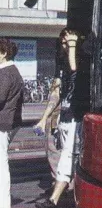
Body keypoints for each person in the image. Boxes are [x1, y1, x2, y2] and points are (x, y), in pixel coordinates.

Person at [36, 30, 87, 208]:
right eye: (63, 42)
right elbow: (55, 94)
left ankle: (53, 200)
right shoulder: (62, 65)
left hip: (77, 118)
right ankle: (74, 200)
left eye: (68, 42)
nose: (65, 45)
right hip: (65, 118)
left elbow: (75, 70)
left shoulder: (84, 60)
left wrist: (73, 45)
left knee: (67, 159)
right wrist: (44, 118)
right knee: (72, 161)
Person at [0, 37, 25, 208]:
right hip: (8, 122)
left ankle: (3, 202)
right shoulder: (14, 71)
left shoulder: (5, 73)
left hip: (2, 123)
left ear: (3, 53)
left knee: (1, 163)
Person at [35, 57, 63, 191]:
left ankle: (59, 186)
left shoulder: (59, 80)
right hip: (57, 122)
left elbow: (54, 99)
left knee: (54, 154)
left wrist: (43, 119)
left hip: (55, 123)